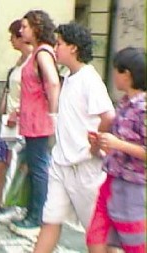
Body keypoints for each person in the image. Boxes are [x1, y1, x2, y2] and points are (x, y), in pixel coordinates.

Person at [33, 23, 116, 253]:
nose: (55, 48)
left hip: (85, 168)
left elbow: (108, 115)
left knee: (98, 233)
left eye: (59, 44)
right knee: (51, 220)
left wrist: (94, 145)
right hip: (61, 163)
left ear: (73, 48)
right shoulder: (69, 78)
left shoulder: (89, 79)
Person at [86, 47, 146, 253]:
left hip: (133, 187)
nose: (113, 76)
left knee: (135, 243)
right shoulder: (124, 103)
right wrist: (101, 143)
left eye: (116, 71)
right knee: (96, 237)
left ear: (127, 74)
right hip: (112, 180)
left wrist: (117, 144)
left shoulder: (143, 108)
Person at [9, 10, 61, 238]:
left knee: (39, 168)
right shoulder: (37, 53)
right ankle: (33, 212)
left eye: (25, 26)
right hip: (32, 121)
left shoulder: (42, 53)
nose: (22, 31)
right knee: (35, 167)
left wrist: (53, 113)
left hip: (40, 122)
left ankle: (37, 216)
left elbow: (52, 81)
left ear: (37, 28)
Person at [0, 19, 32, 218]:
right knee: (1, 162)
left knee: (19, 164)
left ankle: (18, 204)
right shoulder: (18, 62)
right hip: (8, 120)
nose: (10, 40)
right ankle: (2, 201)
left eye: (13, 36)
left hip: (22, 121)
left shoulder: (33, 61)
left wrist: (20, 112)